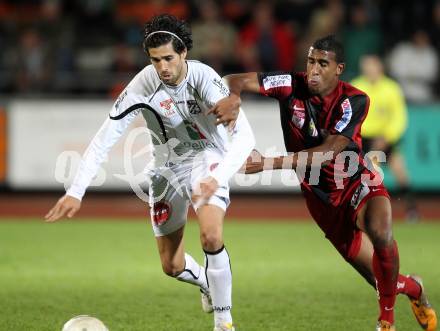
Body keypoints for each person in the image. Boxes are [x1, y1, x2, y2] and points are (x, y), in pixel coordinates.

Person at [45, 14, 255, 331]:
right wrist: (76, 191)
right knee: (171, 265)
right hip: (165, 169)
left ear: (184, 52)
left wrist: (217, 175)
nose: (163, 68)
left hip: (207, 158)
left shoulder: (205, 79)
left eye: (169, 58)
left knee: (211, 235)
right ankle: (208, 284)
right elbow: (105, 138)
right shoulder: (144, 83)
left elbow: (246, 137)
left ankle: (224, 324)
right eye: (155, 60)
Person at [211, 35, 437, 331]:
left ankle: (386, 322)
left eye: (323, 63)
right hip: (322, 199)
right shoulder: (290, 84)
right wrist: (234, 97)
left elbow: (327, 153)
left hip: (356, 181)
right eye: (311, 61)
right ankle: (416, 290)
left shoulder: (355, 99)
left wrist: (266, 163)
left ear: (339, 68)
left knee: (382, 232)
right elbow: (233, 78)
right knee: (382, 281)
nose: (314, 70)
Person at [351, 54, 418, 221]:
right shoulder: (356, 86)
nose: (369, 70)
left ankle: (412, 210)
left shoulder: (391, 88)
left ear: (380, 67)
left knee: (400, 171)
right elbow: (349, 115)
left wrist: (387, 136)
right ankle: (362, 213)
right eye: (366, 67)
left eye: (372, 66)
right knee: (361, 177)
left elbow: (399, 117)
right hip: (362, 138)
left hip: (384, 138)